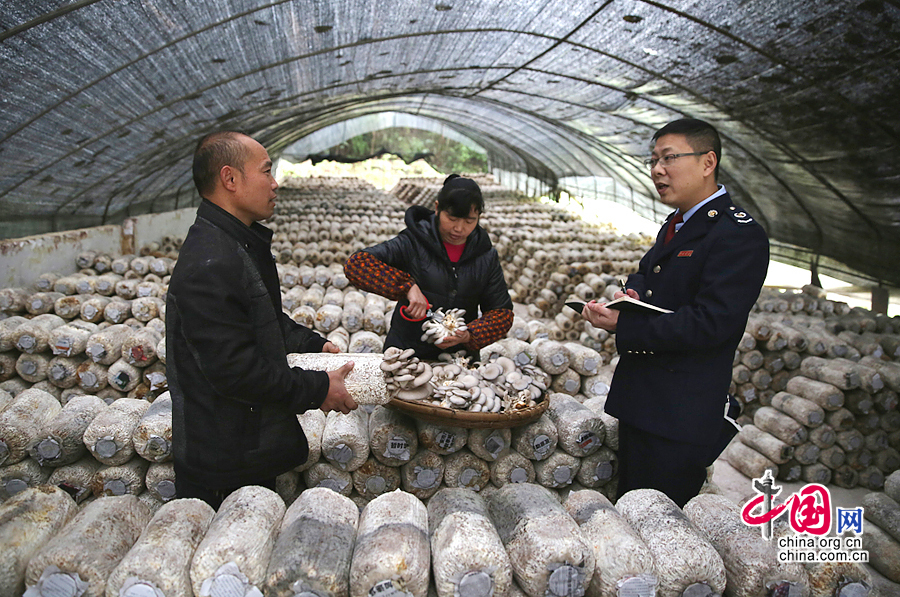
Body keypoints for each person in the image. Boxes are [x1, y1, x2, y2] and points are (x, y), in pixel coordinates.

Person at [582, 118, 769, 507]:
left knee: (660, 522)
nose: (657, 170)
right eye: (653, 160)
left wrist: (627, 322)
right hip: (644, 401)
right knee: (631, 512)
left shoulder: (737, 234)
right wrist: (630, 293)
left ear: (707, 162)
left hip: (679, 414)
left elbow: (712, 322)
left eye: (669, 158)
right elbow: (650, 273)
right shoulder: (678, 223)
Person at [166, 131, 357, 509]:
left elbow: (258, 318)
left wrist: (310, 343)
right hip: (223, 462)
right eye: (267, 172)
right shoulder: (211, 262)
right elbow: (235, 370)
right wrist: (317, 388)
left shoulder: (237, 244)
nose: (275, 184)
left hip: (247, 444)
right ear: (230, 179)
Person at [344, 174, 513, 361]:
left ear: (478, 217)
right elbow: (357, 264)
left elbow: (502, 313)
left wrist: (470, 335)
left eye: (469, 221)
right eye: (452, 218)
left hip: (460, 358)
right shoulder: (413, 241)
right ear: (437, 208)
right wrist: (406, 286)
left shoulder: (485, 256)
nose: (459, 228)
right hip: (407, 352)